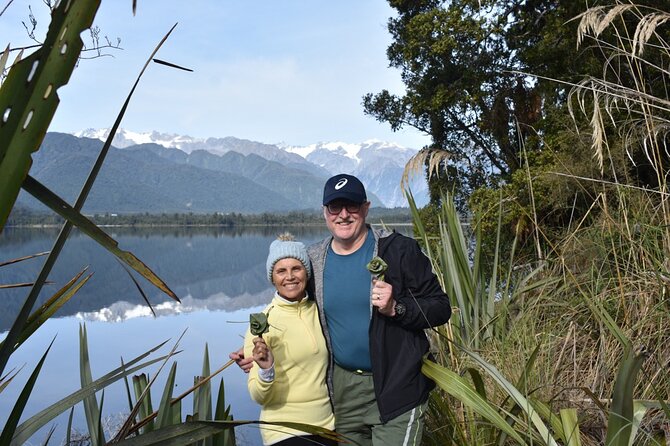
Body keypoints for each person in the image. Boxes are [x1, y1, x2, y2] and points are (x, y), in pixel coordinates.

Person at [231, 174, 451, 446]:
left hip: (397, 385)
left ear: (366, 208)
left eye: (352, 206)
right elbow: (292, 308)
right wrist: (256, 352)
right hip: (342, 393)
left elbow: (441, 308)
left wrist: (397, 308)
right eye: (335, 207)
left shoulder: (399, 251)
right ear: (325, 212)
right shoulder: (314, 259)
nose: (343, 215)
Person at [242, 233, 336, 446]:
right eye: (281, 271)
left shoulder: (319, 311)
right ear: (272, 277)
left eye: (296, 268)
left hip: (328, 427)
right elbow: (258, 396)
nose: (290, 277)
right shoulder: (262, 323)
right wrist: (266, 369)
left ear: (307, 272)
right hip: (284, 431)